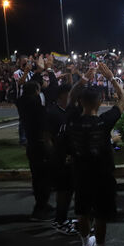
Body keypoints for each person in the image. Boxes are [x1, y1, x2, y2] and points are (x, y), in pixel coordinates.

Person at [66, 63, 124, 246]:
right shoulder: (104, 121)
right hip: (102, 175)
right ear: (100, 101)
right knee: (101, 213)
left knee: (83, 210)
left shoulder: (72, 119)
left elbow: (70, 97)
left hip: (80, 173)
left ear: (80, 102)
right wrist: (111, 78)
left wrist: (84, 78)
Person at [18, 81, 53, 221]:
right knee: (43, 179)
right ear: (36, 92)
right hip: (40, 146)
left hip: (32, 145)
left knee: (38, 178)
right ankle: (39, 209)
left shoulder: (22, 103)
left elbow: (25, 95)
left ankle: (43, 204)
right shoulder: (38, 108)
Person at [47, 84, 76, 234]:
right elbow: (48, 137)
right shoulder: (53, 113)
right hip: (60, 159)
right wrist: (58, 155)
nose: (71, 96)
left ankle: (63, 218)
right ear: (61, 96)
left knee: (69, 190)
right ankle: (60, 221)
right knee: (63, 191)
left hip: (70, 158)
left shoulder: (71, 111)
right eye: (68, 94)